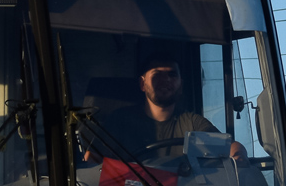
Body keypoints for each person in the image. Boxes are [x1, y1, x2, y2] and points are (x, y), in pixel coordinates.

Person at [95, 55, 247, 163]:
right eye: (157, 74)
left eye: (172, 74)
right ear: (142, 84)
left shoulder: (192, 123)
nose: (166, 79)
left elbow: (230, 147)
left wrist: (238, 157)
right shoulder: (120, 120)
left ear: (180, 84)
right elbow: (93, 160)